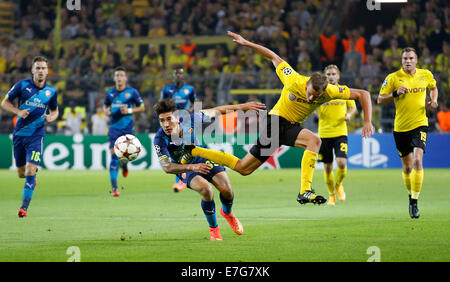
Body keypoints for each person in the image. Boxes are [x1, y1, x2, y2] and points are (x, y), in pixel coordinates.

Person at [182, 31, 374, 206]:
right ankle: (305, 190)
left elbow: (363, 94)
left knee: (243, 168)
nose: (311, 99)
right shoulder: (293, 79)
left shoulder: (331, 90)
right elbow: (273, 56)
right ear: (307, 84)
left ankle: (194, 150)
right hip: (275, 123)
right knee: (314, 141)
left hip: (289, 126)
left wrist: (367, 121)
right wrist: (247, 43)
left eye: (316, 96)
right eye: (310, 93)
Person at [153, 98, 265, 240]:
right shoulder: (159, 139)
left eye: (169, 119)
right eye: (162, 120)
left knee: (227, 190)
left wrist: (244, 106)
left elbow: (217, 111)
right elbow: (167, 167)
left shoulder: (190, 120)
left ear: (177, 117)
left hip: (201, 156)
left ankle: (227, 213)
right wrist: (191, 167)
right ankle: (214, 229)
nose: (166, 124)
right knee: (206, 190)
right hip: (185, 167)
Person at [377, 47, 438, 219]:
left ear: (416, 60)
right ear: (401, 61)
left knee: (418, 161)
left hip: (420, 124)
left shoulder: (425, 74)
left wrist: (434, 101)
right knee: (407, 166)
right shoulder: (393, 78)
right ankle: (411, 196)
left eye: (411, 58)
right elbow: (380, 99)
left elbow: (434, 88)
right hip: (401, 128)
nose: (408, 61)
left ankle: (414, 202)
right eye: (405, 58)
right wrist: (395, 93)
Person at [0, 56, 59, 217]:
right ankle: (31, 178)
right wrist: (18, 112)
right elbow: (4, 103)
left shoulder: (51, 92)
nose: (40, 71)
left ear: (47, 71)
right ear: (32, 70)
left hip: (36, 135)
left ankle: (23, 208)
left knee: (30, 170)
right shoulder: (22, 85)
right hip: (19, 134)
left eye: (43, 68)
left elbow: (55, 110)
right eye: (38, 68)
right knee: (21, 173)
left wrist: (51, 118)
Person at [318, 65, 357, 206]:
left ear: (338, 76)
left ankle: (338, 184)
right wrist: (318, 110)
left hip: (340, 132)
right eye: (328, 74)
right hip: (324, 133)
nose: (331, 76)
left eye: (334, 74)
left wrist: (349, 115)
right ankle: (331, 195)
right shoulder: (320, 92)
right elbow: (312, 108)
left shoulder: (343, 90)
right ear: (324, 76)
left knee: (341, 163)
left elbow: (353, 107)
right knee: (327, 167)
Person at [104, 66, 145, 197]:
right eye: (117, 75)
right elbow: (106, 105)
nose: (120, 78)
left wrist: (130, 111)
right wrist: (106, 111)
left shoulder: (132, 92)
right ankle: (115, 188)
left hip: (128, 129)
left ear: (126, 78)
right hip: (114, 129)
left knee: (124, 157)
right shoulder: (110, 93)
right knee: (114, 156)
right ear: (114, 78)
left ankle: (125, 164)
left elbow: (142, 107)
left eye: (122, 75)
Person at [160, 67, 196, 192]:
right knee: (176, 149)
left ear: (183, 75)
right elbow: (162, 106)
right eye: (176, 73)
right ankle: (180, 179)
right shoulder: (167, 89)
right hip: (173, 122)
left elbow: (194, 104)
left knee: (187, 147)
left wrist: (188, 112)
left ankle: (183, 178)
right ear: (173, 75)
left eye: (180, 73)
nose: (178, 75)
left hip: (185, 121)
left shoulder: (190, 89)